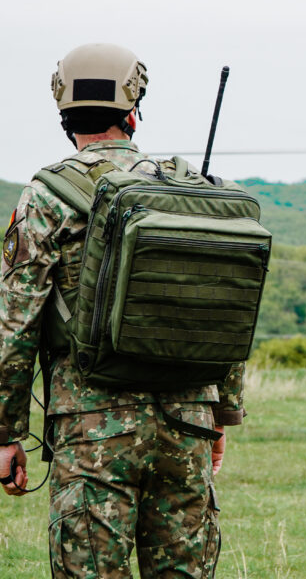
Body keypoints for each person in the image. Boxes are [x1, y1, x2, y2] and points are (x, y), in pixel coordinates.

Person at [0, 43, 245, 578]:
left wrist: (5, 433)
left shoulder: (46, 196)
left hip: (92, 428)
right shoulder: (182, 189)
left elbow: (14, 323)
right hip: (187, 421)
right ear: (133, 111)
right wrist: (221, 411)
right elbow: (223, 304)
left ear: (63, 114)